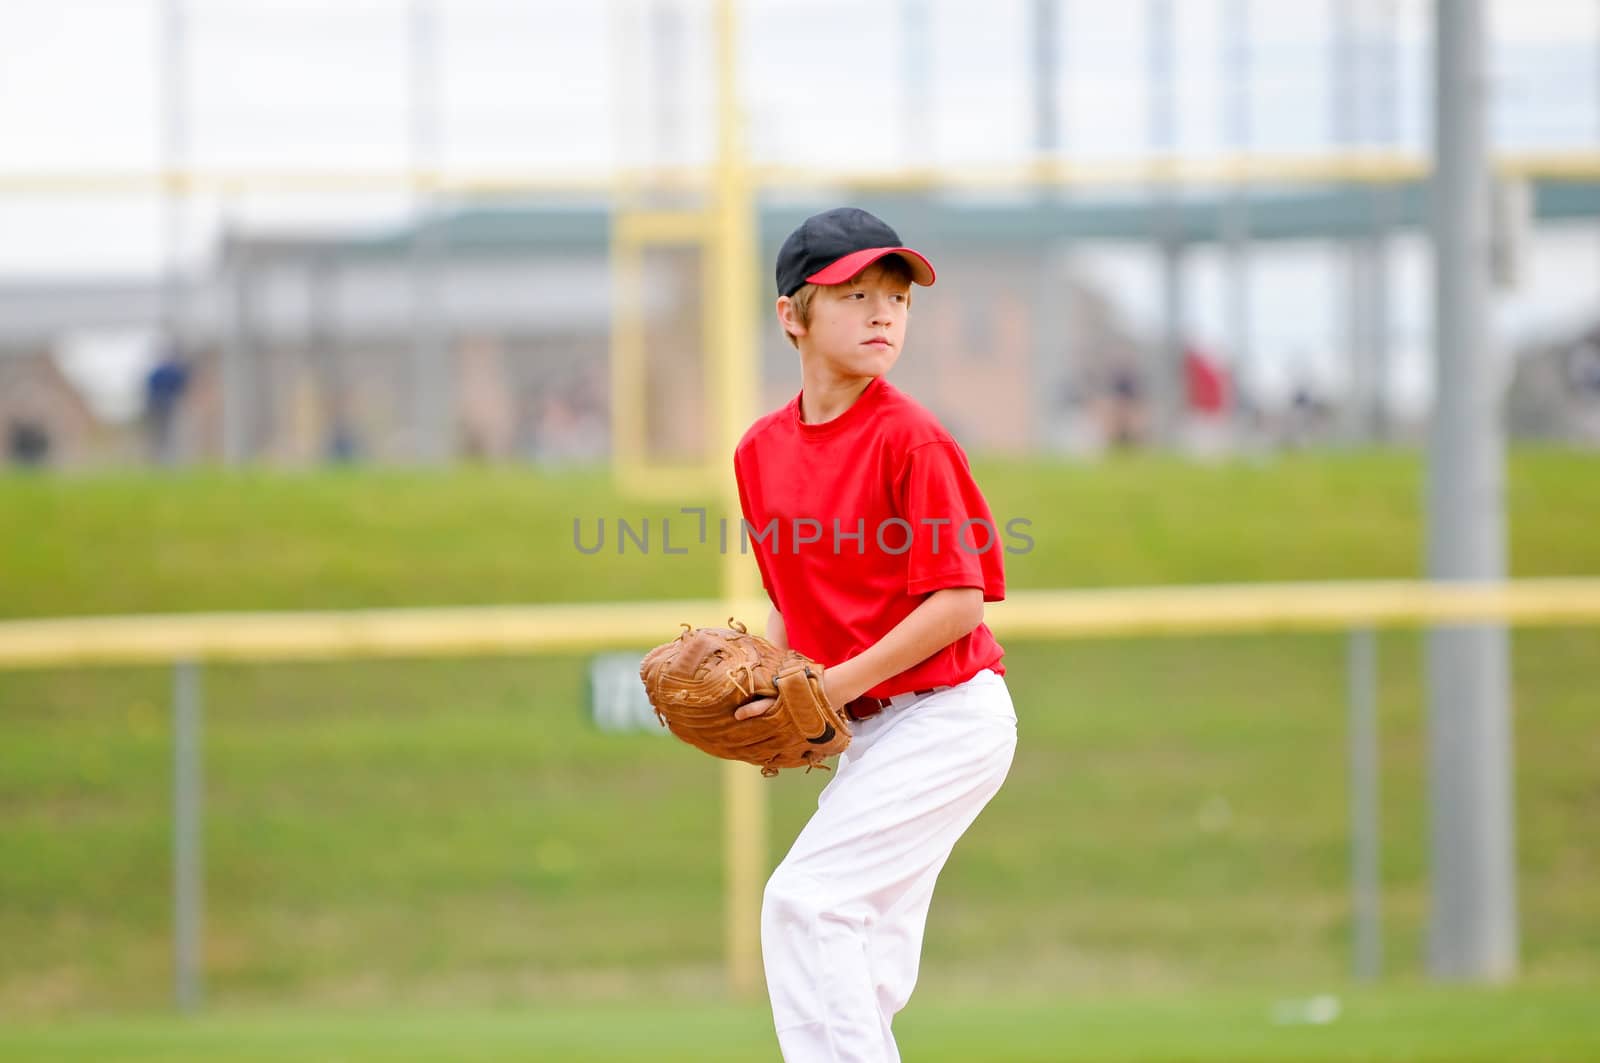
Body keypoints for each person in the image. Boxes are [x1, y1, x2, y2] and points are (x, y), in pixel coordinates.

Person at [731, 207, 1018, 1062]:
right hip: (871, 730)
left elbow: (958, 602)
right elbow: (798, 608)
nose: (883, 312)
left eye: (895, 295)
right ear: (793, 315)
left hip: (948, 719)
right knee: (858, 958)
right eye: (854, 293)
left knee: (806, 903)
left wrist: (832, 688)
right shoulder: (759, 453)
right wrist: (791, 695)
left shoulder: (911, 439)